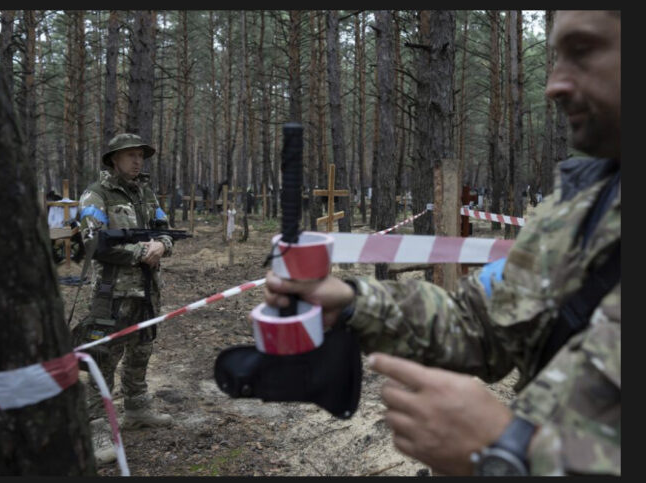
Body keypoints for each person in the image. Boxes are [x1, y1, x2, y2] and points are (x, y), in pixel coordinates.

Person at [264, 10, 619, 476]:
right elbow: (480, 326)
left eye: (582, 51)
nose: (554, 85)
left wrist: (513, 453)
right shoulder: (581, 205)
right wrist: (352, 304)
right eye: (555, 58)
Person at [78, 133, 175, 464]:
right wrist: (139, 252)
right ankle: (95, 426)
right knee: (103, 357)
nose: (137, 161)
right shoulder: (96, 195)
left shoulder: (146, 193)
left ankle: (136, 406)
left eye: (140, 156)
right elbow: (93, 242)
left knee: (142, 347)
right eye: (130, 155)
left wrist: (162, 245)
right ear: (114, 160)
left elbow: (164, 228)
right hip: (112, 292)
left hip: (148, 288)